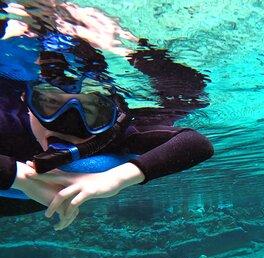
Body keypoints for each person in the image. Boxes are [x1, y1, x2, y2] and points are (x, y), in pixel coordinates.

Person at [0, 11, 214, 229]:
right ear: (25, 100)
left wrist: (113, 180)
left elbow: (196, 144)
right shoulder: (6, 122)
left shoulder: (113, 133)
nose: (67, 123)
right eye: (50, 104)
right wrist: (20, 177)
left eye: (91, 109)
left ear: (111, 110)